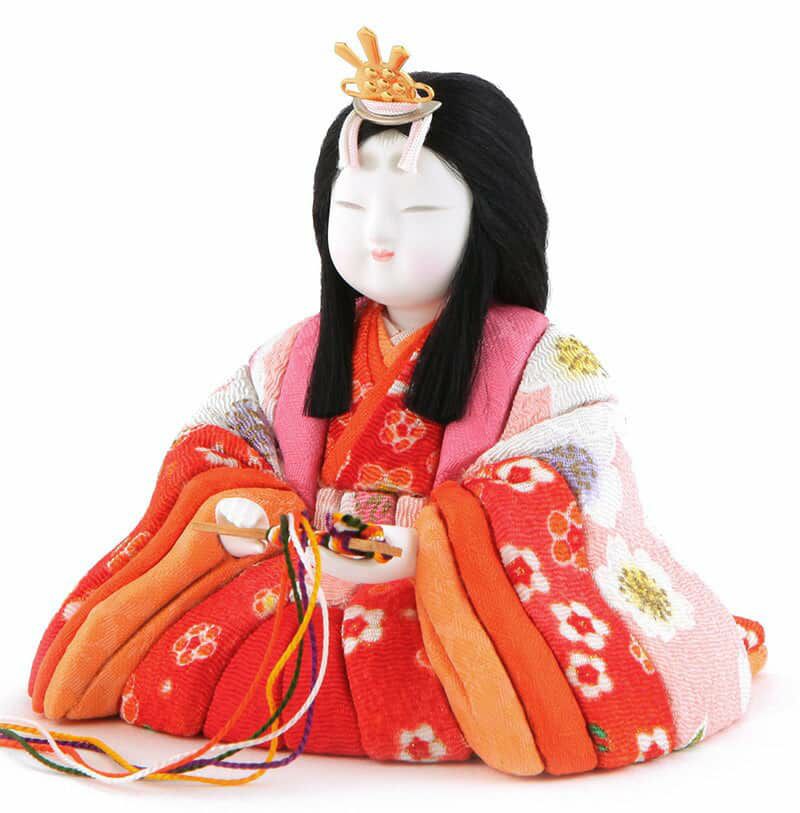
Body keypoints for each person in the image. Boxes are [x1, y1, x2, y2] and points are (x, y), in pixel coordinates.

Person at [26, 31, 765, 776]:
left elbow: (565, 479)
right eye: (350, 207)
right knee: (183, 664)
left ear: (488, 217)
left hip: (450, 603)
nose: (376, 237)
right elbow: (219, 442)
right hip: (302, 577)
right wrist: (243, 509)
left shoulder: (544, 360)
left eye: (417, 212)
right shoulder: (299, 350)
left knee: (456, 687)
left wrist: (432, 548)